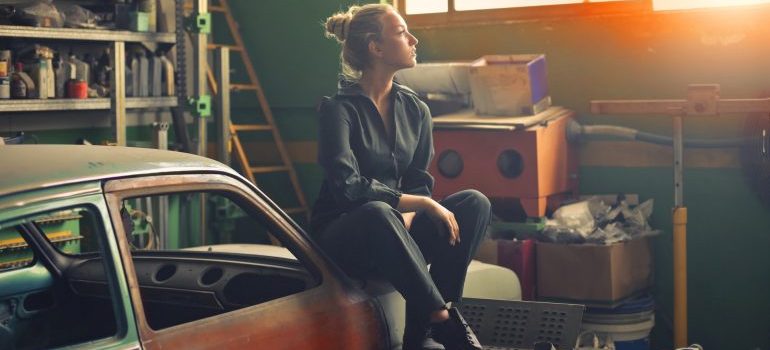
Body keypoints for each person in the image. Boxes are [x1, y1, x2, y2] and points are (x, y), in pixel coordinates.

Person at [312, 4, 490, 350]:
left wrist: (409, 213)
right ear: (376, 48)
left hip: (397, 230)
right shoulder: (337, 110)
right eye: (401, 32)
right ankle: (441, 322)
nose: (413, 39)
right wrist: (417, 205)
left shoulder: (416, 110)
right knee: (377, 212)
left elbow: (418, 179)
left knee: (473, 203)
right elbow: (348, 190)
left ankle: (423, 330)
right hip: (346, 235)